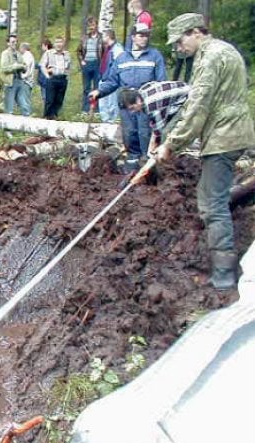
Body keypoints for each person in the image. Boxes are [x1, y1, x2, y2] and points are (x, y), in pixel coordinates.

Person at [138, 13, 255, 290]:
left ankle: (224, 276)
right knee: (212, 195)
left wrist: (171, 144)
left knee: (212, 204)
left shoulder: (210, 57)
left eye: (180, 42)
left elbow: (198, 107)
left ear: (194, 32)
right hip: (231, 132)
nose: (179, 49)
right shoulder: (224, 50)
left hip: (223, 137)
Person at [90, 23, 167, 172]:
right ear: (133, 37)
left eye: (146, 35)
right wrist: (99, 92)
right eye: (141, 35)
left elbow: (161, 82)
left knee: (145, 132)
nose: (144, 38)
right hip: (126, 104)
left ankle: (148, 164)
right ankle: (132, 162)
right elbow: (112, 81)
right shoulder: (122, 58)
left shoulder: (155, 56)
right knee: (129, 132)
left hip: (145, 104)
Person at [117, 81, 190, 151]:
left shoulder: (151, 104)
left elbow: (159, 128)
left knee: (165, 134)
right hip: (183, 88)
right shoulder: (143, 89)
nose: (133, 112)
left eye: (132, 108)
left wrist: (154, 145)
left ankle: (170, 155)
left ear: (138, 100)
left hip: (188, 99)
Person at [40, 36, 71, 120]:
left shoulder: (67, 54)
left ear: (63, 43)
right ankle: (47, 117)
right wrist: (47, 75)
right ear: (54, 44)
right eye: (57, 42)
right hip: (52, 78)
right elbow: (42, 65)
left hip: (63, 79)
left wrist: (67, 76)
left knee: (59, 100)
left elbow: (68, 66)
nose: (59, 44)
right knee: (50, 100)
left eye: (60, 42)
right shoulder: (48, 53)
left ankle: (55, 116)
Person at [77, 17, 103, 113]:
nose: (91, 27)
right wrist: (82, 61)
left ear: (96, 26)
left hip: (97, 64)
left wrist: (102, 63)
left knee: (97, 87)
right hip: (86, 64)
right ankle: (85, 109)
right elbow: (79, 51)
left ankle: (96, 110)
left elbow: (104, 52)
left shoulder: (101, 38)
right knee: (86, 88)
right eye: (89, 25)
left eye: (93, 25)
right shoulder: (84, 38)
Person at [0, 35, 30, 115]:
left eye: (16, 42)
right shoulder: (5, 54)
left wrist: (23, 67)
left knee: (24, 103)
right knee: (9, 106)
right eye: (12, 42)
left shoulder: (18, 54)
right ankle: (7, 124)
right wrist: (15, 66)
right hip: (10, 82)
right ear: (8, 43)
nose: (15, 44)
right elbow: (4, 68)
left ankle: (27, 121)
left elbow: (24, 66)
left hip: (19, 81)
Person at [98, 29, 124, 122]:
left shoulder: (117, 49)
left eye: (103, 36)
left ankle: (113, 122)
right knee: (103, 105)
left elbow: (119, 66)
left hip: (111, 81)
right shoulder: (107, 48)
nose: (102, 38)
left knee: (112, 105)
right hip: (103, 79)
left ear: (108, 37)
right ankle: (105, 124)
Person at [18, 42, 36, 116]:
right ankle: (26, 115)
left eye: (20, 48)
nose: (19, 50)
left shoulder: (27, 56)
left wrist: (21, 77)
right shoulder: (29, 56)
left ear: (23, 48)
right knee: (25, 99)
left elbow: (25, 68)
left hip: (25, 81)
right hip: (27, 81)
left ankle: (26, 116)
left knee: (24, 100)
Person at [37, 39, 53, 108]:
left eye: (43, 45)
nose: (42, 47)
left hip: (45, 79)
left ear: (46, 46)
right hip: (44, 79)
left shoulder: (48, 54)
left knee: (45, 97)